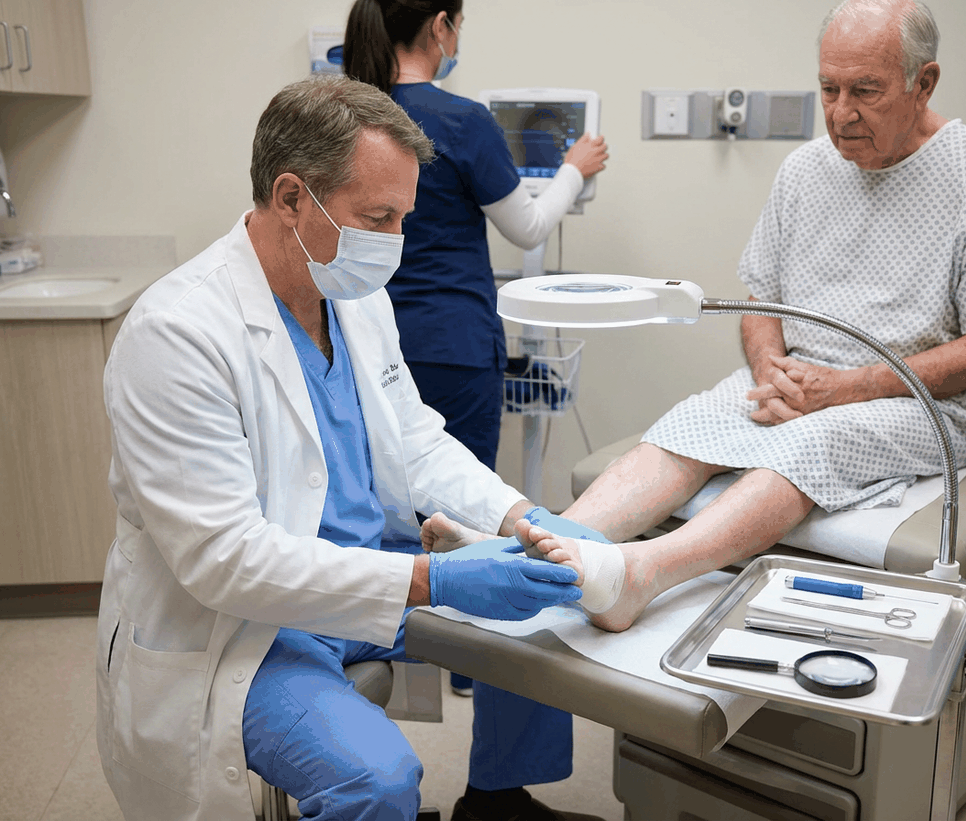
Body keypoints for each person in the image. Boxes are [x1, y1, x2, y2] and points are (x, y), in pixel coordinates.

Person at [421, 0, 966, 634]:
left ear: (925, 84)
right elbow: (758, 301)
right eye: (828, 89)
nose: (841, 114)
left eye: (865, 90)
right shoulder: (806, 169)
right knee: (688, 424)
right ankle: (516, 555)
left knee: (815, 441)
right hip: (795, 385)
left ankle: (638, 574)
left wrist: (842, 391)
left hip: (923, 401)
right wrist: (771, 372)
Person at [94, 75, 606, 821]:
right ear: (292, 196)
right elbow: (225, 560)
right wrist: (434, 580)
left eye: (403, 217)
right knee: (378, 779)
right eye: (377, 217)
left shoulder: (353, 296)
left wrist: (522, 513)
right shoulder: (176, 335)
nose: (395, 242)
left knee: (536, 615)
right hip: (247, 628)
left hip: (364, 572)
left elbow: (415, 439)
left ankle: (499, 800)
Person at [342, 0, 609, 695]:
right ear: (440, 26)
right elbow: (527, 227)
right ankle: (471, 657)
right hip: (454, 342)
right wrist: (576, 167)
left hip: (373, 340)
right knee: (466, 522)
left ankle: (410, 642)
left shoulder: (351, 116)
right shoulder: (462, 122)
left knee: (395, 508)